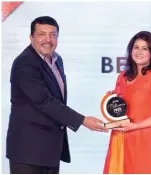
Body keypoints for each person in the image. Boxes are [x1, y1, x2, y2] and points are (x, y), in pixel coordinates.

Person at [6, 16, 108, 174]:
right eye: (42, 34)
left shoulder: (56, 60)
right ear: (31, 37)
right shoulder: (25, 64)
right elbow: (44, 101)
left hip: (50, 151)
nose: (48, 39)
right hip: (28, 151)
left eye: (52, 35)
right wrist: (82, 120)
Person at [103, 31, 151, 174]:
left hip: (145, 138)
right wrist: (108, 101)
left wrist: (136, 125)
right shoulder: (122, 76)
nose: (139, 52)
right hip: (121, 136)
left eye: (144, 48)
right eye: (136, 47)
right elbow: (118, 108)